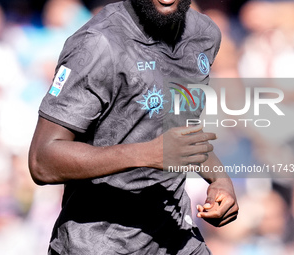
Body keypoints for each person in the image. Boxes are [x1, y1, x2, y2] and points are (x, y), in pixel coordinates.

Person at [28, 0, 239, 254]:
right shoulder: (98, 43)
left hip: (173, 236)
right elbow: (43, 160)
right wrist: (147, 154)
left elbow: (179, 129)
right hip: (98, 244)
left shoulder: (204, 35)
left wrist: (220, 180)